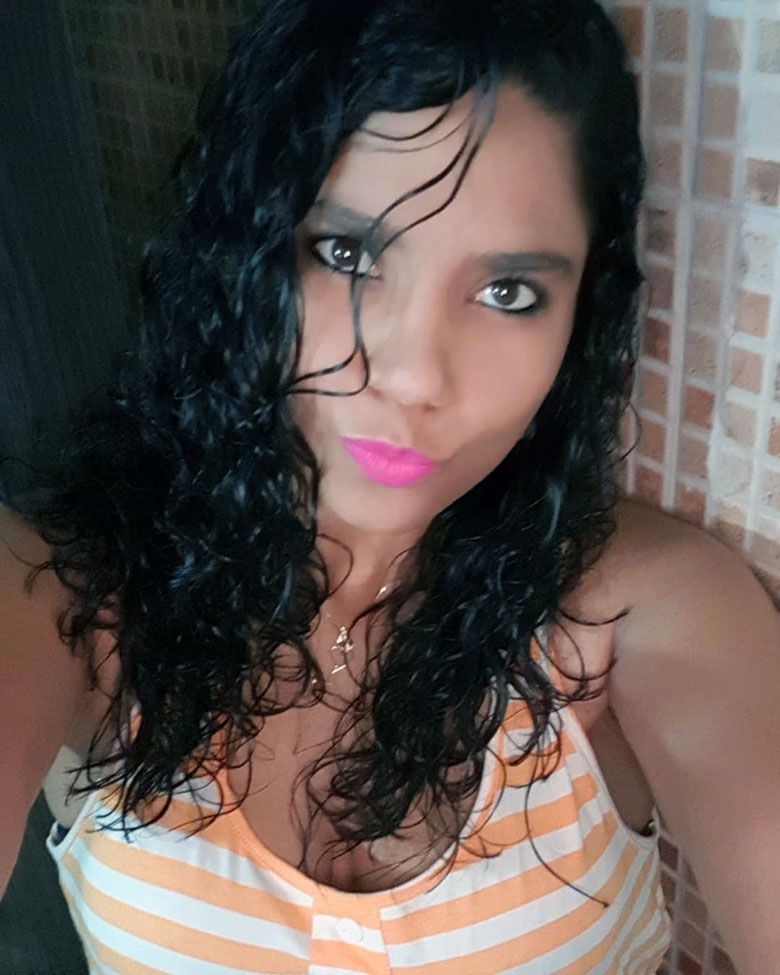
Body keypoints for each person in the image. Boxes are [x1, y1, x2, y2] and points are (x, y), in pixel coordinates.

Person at [1, 1, 777, 972]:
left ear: (580, 315)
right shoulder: (69, 603)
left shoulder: (642, 615)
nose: (414, 375)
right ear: (242, 259)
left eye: (508, 293)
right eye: (347, 254)